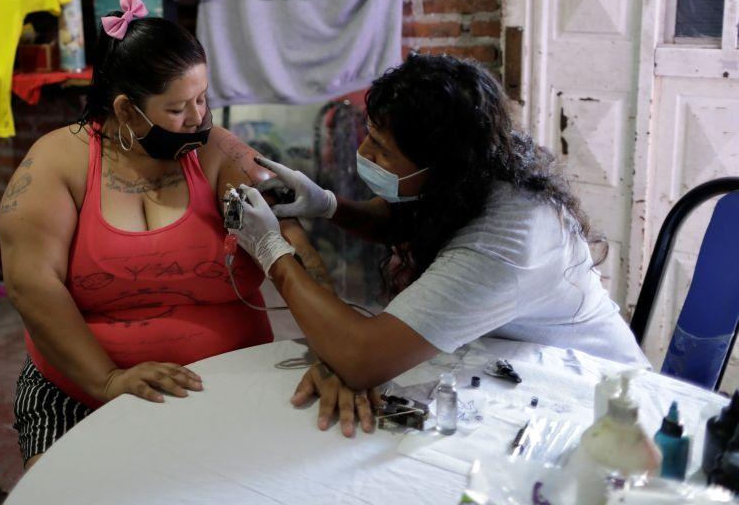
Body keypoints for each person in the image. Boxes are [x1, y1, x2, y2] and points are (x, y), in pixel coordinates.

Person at [230, 53, 649, 437]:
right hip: (513, 367)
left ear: (442, 165)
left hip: (595, 399)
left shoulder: (507, 241)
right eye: (369, 135)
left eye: (381, 149)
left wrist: (272, 251)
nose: (362, 152)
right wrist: (329, 205)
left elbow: (361, 358)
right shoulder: (477, 169)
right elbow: (403, 219)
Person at [0, 0, 327, 469]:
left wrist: (337, 354)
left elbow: (290, 243)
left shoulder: (217, 153)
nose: (199, 118)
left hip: (230, 378)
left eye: (203, 98)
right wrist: (107, 381)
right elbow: (30, 286)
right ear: (128, 112)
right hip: (77, 389)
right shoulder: (56, 163)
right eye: (178, 108)